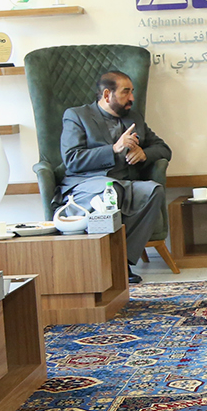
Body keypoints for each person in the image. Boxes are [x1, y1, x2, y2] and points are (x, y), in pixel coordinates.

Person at [59, 70, 170, 283]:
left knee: (153, 191)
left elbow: (164, 148)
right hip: (85, 185)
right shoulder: (77, 116)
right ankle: (105, 264)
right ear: (107, 94)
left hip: (125, 184)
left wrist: (144, 154)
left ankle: (122, 260)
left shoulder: (134, 118)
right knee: (111, 190)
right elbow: (72, 159)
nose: (132, 98)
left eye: (132, 91)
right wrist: (113, 149)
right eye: (126, 92)